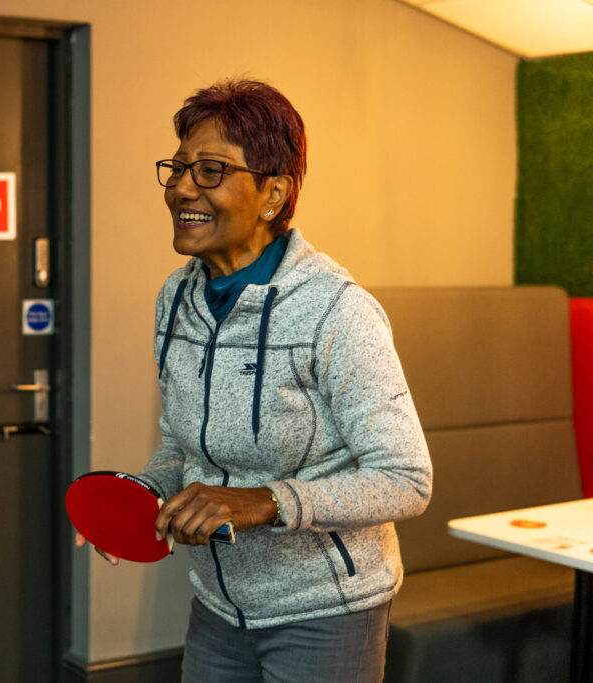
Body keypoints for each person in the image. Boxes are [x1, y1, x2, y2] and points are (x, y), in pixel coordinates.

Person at [75, 79, 433, 682]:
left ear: (274, 194)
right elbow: (181, 443)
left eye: (211, 170)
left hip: (326, 614)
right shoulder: (176, 298)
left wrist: (267, 502)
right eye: (178, 167)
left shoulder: (337, 310)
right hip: (218, 608)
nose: (181, 187)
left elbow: (406, 479)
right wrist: (141, 498)